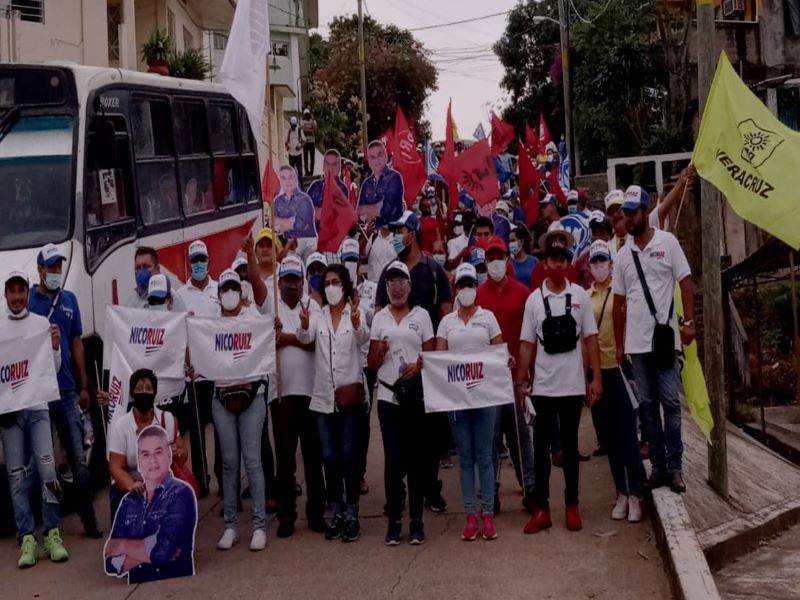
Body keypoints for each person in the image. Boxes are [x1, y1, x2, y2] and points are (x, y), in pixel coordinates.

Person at [515, 229, 602, 534]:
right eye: (552, 259)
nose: (557, 264)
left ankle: (572, 505)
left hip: (572, 385)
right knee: (541, 449)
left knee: (569, 448)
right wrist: (521, 382)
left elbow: (591, 339)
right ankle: (542, 509)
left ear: (567, 262)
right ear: (545, 263)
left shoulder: (579, 296)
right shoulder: (534, 301)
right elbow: (526, 344)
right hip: (544, 388)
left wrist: (595, 379)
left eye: (562, 259)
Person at [612, 186, 695, 494]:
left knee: (671, 404)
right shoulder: (622, 255)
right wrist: (620, 345)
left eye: (632, 212)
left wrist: (689, 323)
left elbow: (686, 282)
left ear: (646, 212)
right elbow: (618, 304)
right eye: (625, 213)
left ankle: (676, 469)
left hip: (665, 339)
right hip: (637, 343)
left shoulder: (667, 242)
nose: (628, 218)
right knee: (647, 407)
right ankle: (658, 468)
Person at [375, 210, 453, 514]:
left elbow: (445, 315)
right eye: (393, 230)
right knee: (396, 441)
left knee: (429, 437)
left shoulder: (432, 270)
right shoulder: (387, 272)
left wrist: (432, 358)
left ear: (414, 232)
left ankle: (429, 489)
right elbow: (381, 313)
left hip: (427, 364)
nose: (396, 235)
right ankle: (398, 493)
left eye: (401, 230)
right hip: (395, 370)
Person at [28, 243, 102, 539]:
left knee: (79, 461)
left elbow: (77, 343)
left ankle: (89, 519)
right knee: (42, 466)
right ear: (40, 270)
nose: (56, 271)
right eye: (51, 267)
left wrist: (84, 384)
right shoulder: (30, 303)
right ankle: (47, 526)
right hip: (40, 395)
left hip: (68, 391)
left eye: (59, 266)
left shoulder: (70, 299)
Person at [297, 264, 370, 542]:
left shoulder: (356, 312)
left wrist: (355, 321)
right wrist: (304, 324)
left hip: (349, 398)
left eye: (336, 281)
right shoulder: (319, 314)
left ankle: (352, 513)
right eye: (327, 282)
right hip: (324, 400)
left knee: (349, 455)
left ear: (345, 285)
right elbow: (306, 337)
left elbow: (364, 338)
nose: (331, 287)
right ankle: (337, 510)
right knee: (329, 457)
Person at [1, 270, 69, 568]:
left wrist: (54, 348)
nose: (17, 297)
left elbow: (51, 369)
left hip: (38, 408)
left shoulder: (42, 324)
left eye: (21, 291)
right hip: (10, 413)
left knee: (48, 469)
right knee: (15, 474)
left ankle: (52, 531)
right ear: (5, 295)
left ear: (27, 294)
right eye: (11, 291)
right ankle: (26, 535)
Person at [435, 263, 505, 541]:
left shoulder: (488, 317)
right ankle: (470, 516)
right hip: (458, 398)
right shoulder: (447, 322)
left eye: (470, 285)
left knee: (485, 455)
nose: (466, 290)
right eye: (462, 285)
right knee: (465, 456)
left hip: (485, 395)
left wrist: (505, 359)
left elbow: (499, 350)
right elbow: (440, 359)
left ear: (476, 288)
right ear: (456, 290)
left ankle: (487, 514)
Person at [368, 261, 435, 546]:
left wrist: (419, 367)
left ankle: (417, 522)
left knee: (416, 458)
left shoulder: (422, 316)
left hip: (415, 395)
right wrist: (380, 351)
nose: (397, 287)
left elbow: (432, 358)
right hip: (388, 397)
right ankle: (394, 521)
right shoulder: (379, 317)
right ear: (386, 287)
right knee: (394, 459)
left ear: (409, 285)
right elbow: (371, 363)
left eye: (401, 282)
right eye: (391, 282)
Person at [475, 237, 536, 512]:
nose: (496, 261)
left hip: (516, 379)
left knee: (521, 436)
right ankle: (491, 492)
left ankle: (531, 488)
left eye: (500, 256)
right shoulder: (476, 296)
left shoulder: (523, 294)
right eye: (491, 258)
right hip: (487, 381)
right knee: (490, 439)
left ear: (507, 259)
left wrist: (528, 373)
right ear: (485, 262)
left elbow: (531, 337)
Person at [211, 269, 269, 551]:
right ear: (219, 295)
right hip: (221, 397)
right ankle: (230, 525)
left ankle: (259, 526)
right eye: (225, 289)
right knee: (229, 463)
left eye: (235, 287)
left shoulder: (253, 319)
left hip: (252, 396)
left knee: (252, 460)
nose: (230, 293)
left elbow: (268, 335)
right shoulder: (211, 325)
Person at [270, 255, 327, 537]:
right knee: (285, 459)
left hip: (311, 391)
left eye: (296, 280)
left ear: (303, 282)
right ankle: (286, 515)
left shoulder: (313, 306)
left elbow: (312, 341)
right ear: (279, 282)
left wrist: (287, 338)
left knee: (314, 456)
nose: (291, 285)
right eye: (287, 280)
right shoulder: (271, 309)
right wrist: (275, 334)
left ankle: (316, 512)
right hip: (281, 395)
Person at [586, 241, 643, 522]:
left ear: (611, 264)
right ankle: (620, 491)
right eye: (594, 262)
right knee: (609, 437)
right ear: (589, 266)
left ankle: (635, 493)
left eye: (602, 262)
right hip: (598, 373)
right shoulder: (586, 298)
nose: (599, 267)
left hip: (621, 369)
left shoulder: (620, 292)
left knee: (628, 434)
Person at [104, 425, 196, 583]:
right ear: (139, 461)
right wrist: (152, 544)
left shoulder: (181, 494)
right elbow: (110, 562)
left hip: (177, 587)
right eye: (145, 454)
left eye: (158, 452)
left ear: (169, 455)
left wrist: (123, 546)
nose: (152, 461)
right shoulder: (128, 501)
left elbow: (163, 553)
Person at [173, 240, 219, 498]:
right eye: (195, 261)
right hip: (193, 376)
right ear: (189, 264)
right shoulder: (180, 296)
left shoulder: (220, 289)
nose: (199, 264)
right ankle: (201, 481)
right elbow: (178, 334)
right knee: (197, 430)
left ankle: (224, 479)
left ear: (209, 261)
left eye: (202, 259)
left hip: (217, 372)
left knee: (222, 430)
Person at [105, 370, 183, 522]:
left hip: (161, 483)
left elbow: (183, 453)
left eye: (148, 388)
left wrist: (176, 453)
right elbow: (115, 467)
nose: (144, 392)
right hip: (132, 484)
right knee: (118, 499)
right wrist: (131, 485)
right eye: (139, 389)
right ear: (132, 394)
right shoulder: (121, 426)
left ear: (154, 393)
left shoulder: (166, 419)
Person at [273, 165, 317, 257]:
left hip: (306, 242)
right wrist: (287, 222)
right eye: (284, 178)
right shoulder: (277, 201)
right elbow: (275, 226)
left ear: (296, 180)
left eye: (290, 177)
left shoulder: (305, 199)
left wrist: (282, 222)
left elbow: (299, 225)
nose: (288, 181)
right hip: (288, 243)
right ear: (281, 182)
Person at [357, 140, 404, 227]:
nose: (377, 160)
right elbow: (359, 212)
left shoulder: (394, 177)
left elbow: (386, 210)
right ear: (369, 162)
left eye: (379, 155)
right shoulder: (366, 184)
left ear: (385, 156)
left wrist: (366, 209)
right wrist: (374, 209)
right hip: (373, 235)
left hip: (394, 234)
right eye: (372, 157)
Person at [307, 150, 349, 224]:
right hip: (311, 233)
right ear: (323, 166)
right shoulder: (314, 185)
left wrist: (312, 211)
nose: (330, 168)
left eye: (334, 164)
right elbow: (303, 209)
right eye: (327, 164)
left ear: (339, 167)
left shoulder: (342, 189)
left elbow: (326, 214)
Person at [285, 116, 305, 183]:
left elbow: (304, 141)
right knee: (291, 172)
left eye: (294, 125)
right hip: (291, 154)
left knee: (300, 172)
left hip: (298, 154)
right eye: (292, 125)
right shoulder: (289, 131)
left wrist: (300, 146)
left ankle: (301, 187)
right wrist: (287, 146)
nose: (293, 127)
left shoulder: (299, 131)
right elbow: (286, 142)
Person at [300, 108, 317, 177]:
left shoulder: (303, 122)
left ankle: (308, 172)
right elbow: (315, 129)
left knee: (307, 158)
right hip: (310, 141)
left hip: (306, 142)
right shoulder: (312, 122)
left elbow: (301, 127)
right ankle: (310, 172)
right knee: (310, 158)